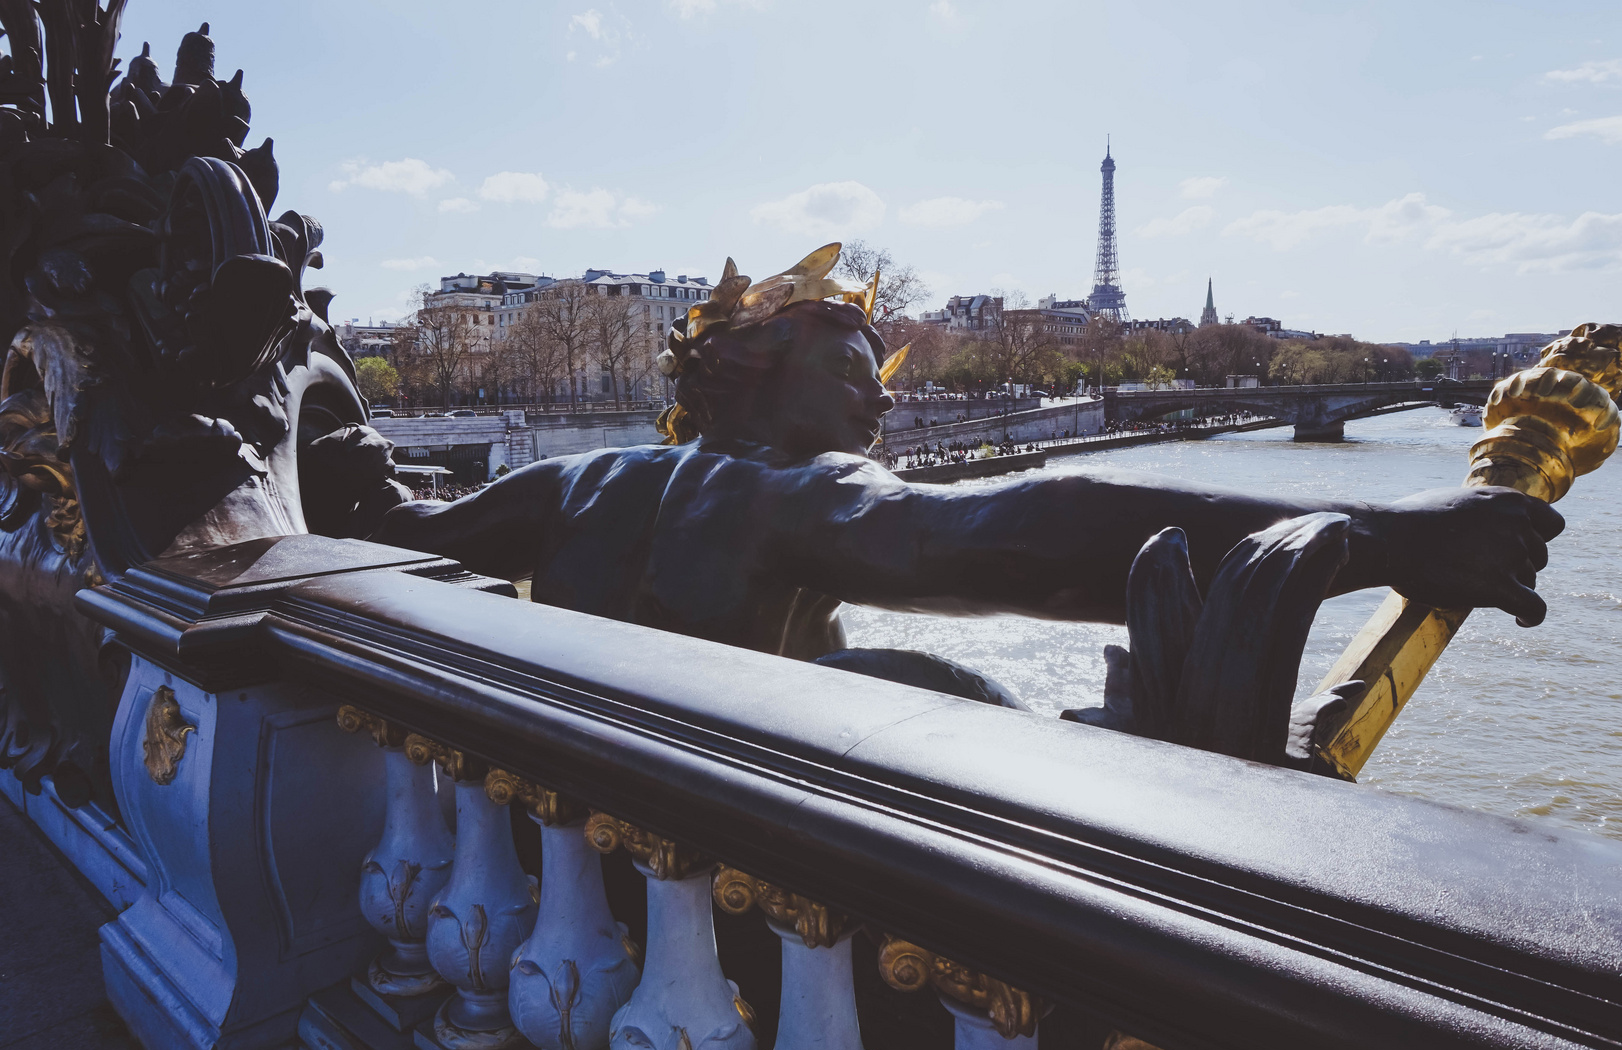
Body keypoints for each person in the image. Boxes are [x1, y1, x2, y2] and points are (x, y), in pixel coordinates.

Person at [371, 244, 1562, 663]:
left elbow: (394, 534)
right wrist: (1391, 539)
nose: (875, 402)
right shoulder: (789, 497)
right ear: (764, 368)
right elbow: (1026, 533)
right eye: (853, 365)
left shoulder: (575, 483)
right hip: (705, 881)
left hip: (553, 835)